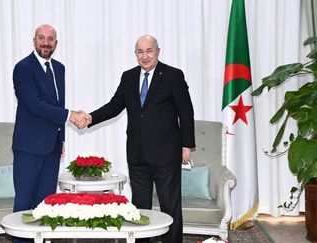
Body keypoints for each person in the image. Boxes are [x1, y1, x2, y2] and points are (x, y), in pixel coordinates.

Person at [85, 34, 195, 243]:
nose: (144, 57)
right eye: (140, 52)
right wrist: (90, 118)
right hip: (137, 154)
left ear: (157, 52)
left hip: (166, 154)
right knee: (140, 208)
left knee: (169, 205)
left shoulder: (173, 75)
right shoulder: (128, 77)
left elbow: (186, 112)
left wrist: (187, 145)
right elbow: (114, 106)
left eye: (149, 51)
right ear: (135, 54)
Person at [11, 24, 87, 243]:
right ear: (34, 40)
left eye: (50, 39)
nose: (46, 42)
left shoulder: (59, 68)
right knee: (24, 206)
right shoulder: (23, 68)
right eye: (42, 38)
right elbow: (34, 104)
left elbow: (56, 104)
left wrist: (60, 138)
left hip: (52, 147)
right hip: (28, 147)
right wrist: (71, 115)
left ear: (56, 43)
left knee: (45, 205)